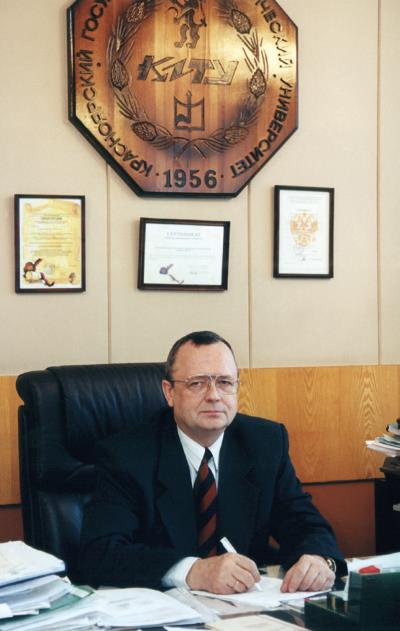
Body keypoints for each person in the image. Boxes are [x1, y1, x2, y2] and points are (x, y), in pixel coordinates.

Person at [79, 331, 346, 594]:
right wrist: (192, 571)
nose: (214, 395)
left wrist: (320, 559)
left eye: (225, 382)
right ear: (169, 392)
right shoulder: (126, 455)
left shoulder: (265, 443)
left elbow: (304, 523)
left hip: (248, 609)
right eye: (197, 383)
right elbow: (100, 552)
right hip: (164, 609)